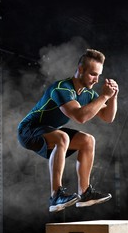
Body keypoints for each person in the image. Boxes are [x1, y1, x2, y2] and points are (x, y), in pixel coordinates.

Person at [17, 49, 119, 212]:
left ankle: (85, 193)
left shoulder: (88, 93)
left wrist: (113, 96)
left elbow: (108, 117)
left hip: (49, 130)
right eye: (93, 74)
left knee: (88, 141)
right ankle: (55, 196)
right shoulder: (61, 88)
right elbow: (80, 117)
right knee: (62, 137)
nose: (96, 80)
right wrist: (104, 97)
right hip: (28, 130)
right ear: (80, 70)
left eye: (99, 75)